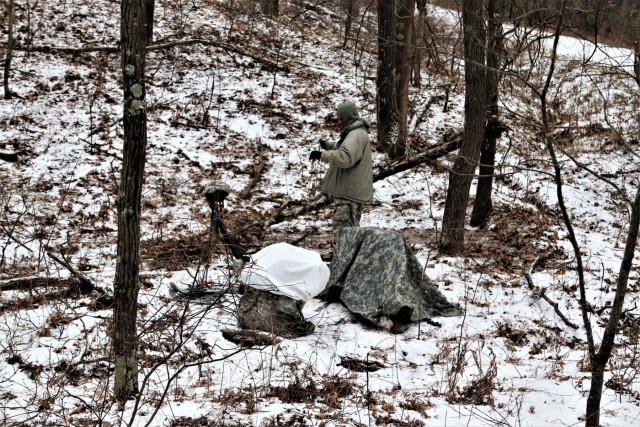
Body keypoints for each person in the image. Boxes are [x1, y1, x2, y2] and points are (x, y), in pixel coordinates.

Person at [309, 102, 373, 234]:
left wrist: (321, 155)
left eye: (339, 118)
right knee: (351, 235)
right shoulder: (355, 133)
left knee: (344, 235)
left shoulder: (355, 135)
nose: (337, 121)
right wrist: (327, 146)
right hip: (350, 193)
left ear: (346, 117)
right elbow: (344, 150)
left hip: (348, 196)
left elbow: (345, 157)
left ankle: (345, 255)